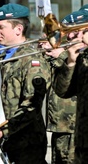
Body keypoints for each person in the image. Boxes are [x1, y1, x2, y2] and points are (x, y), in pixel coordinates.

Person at [0, 3, 51, 164]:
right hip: (2, 142)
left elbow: (32, 105)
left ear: (18, 29)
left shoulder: (32, 59)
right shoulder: (2, 58)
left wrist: (4, 131)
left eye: (0, 27)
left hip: (26, 144)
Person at [53, 9, 88, 164]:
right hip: (82, 140)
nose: (78, 37)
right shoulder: (82, 57)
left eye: (84, 31)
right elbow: (63, 91)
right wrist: (71, 61)